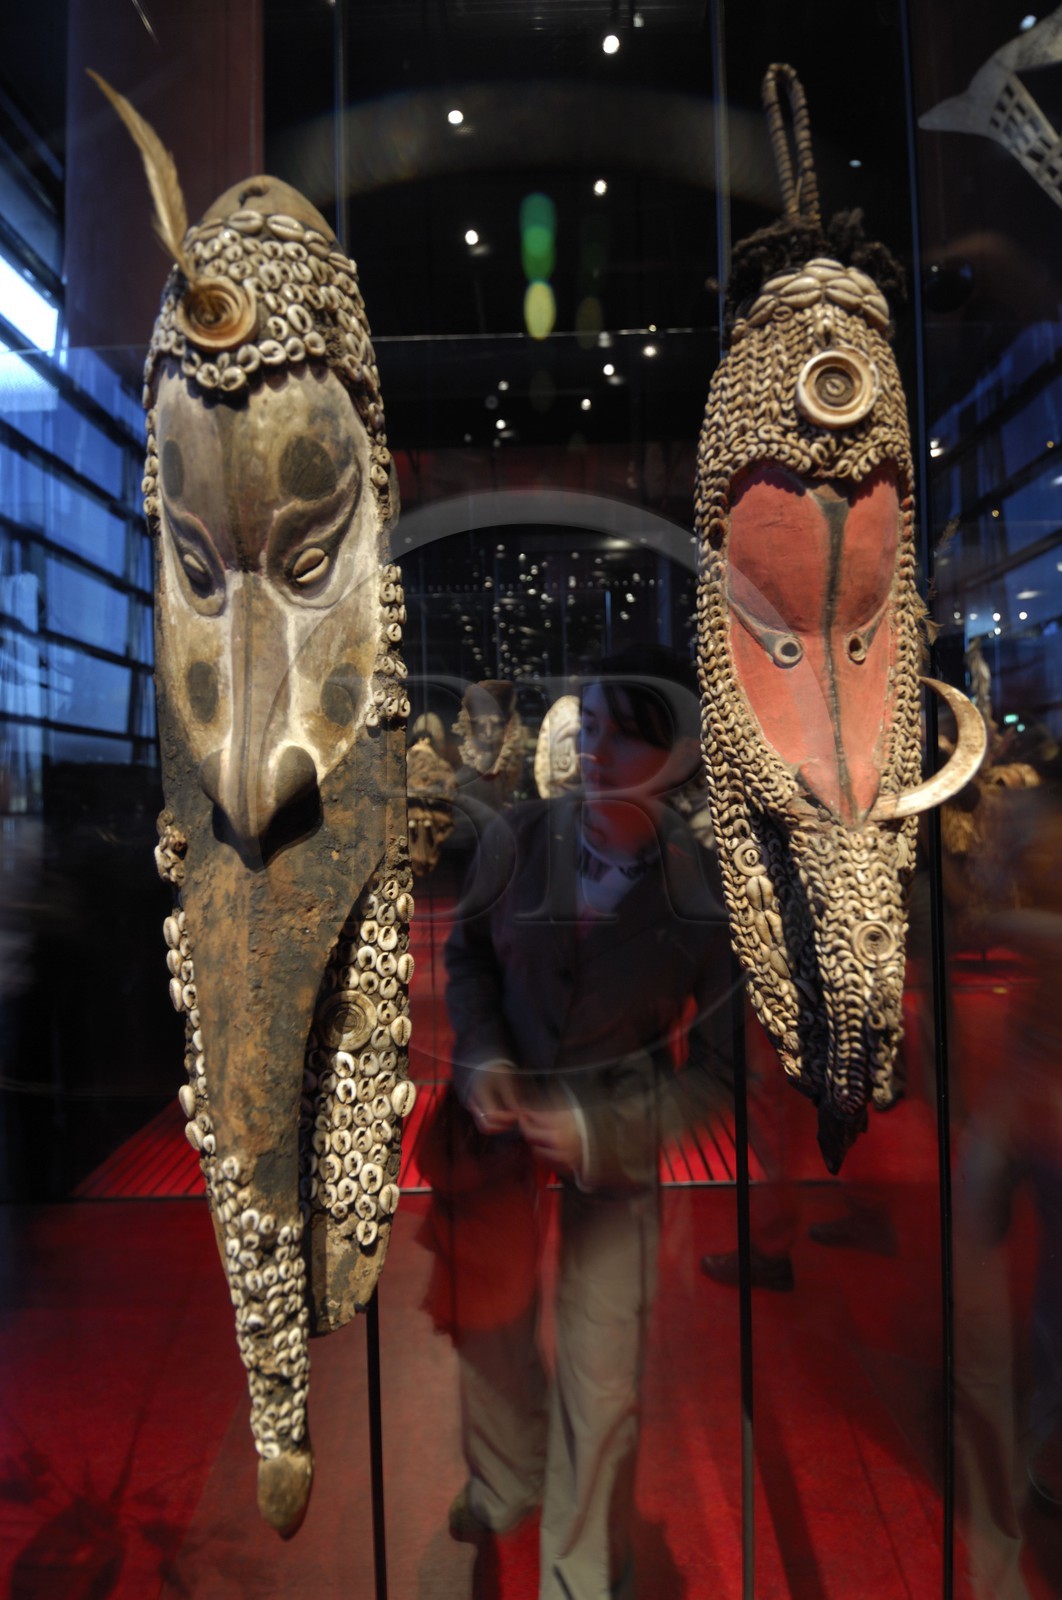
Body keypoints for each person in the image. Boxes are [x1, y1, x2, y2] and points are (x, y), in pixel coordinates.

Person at [441, 646, 734, 1600]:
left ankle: (576, 1577)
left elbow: (722, 1079)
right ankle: (505, 1477)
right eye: (588, 724)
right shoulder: (517, 835)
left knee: (604, 1368)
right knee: (486, 1328)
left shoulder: (708, 894)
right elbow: (469, 961)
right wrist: (482, 1056)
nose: (590, 750)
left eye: (617, 731)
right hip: (492, 1133)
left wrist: (604, 1132)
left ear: (676, 755)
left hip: (616, 1139)